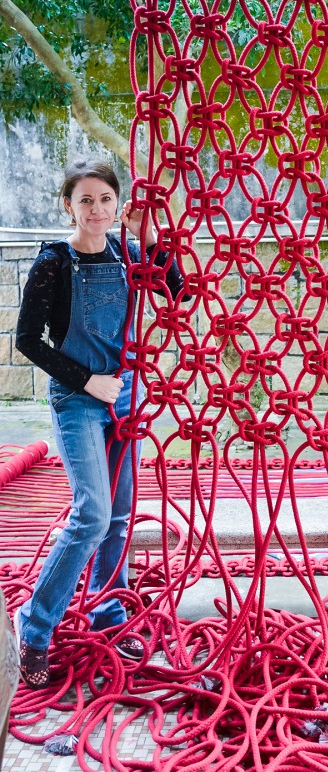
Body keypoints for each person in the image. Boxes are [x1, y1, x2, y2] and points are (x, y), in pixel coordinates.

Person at [14, 158, 186, 689]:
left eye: (105, 200)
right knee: (92, 513)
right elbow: (27, 340)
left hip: (127, 394)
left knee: (120, 515)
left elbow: (176, 293)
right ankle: (34, 628)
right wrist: (89, 382)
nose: (96, 209)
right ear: (68, 205)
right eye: (85, 200)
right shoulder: (53, 263)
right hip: (79, 397)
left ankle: (109, 614)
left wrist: (150, 236)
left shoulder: (127, 253)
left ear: (117, 205)